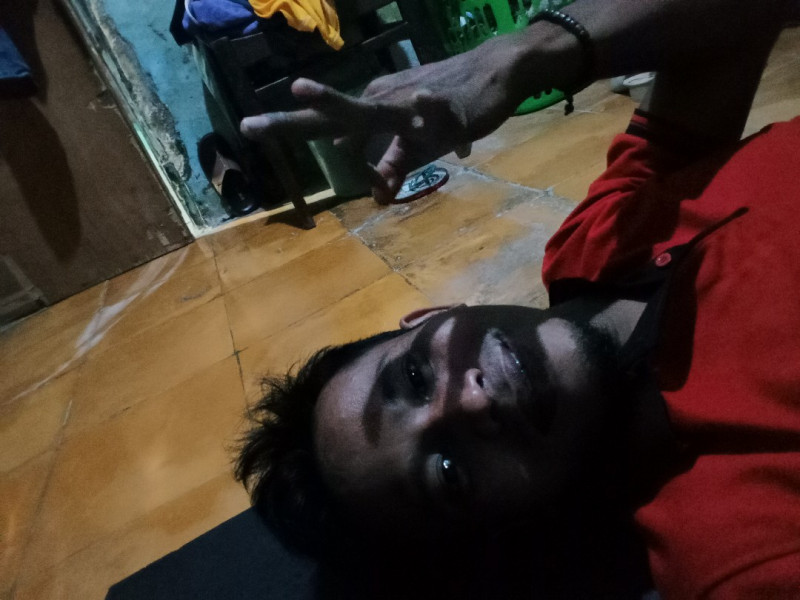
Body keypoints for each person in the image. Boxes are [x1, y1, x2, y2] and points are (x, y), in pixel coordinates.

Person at [234, 1, 800, 597]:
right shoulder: (731, 544)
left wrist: (522, 56)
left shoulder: (590, 246)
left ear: (433, 315)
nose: (471, 401)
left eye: (416, 376)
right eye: (449, 472)